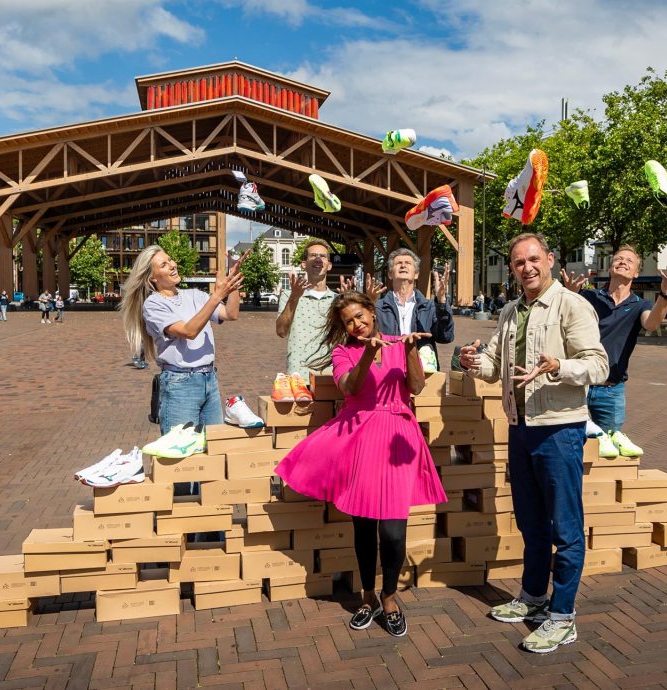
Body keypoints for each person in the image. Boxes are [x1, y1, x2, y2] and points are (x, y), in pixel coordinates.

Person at [460, 232, 609, 654]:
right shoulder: (510, 311)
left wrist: (558, 365)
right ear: (511, 268)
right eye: (517, 261)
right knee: (530, 521)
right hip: (520, 425)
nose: (526, 267)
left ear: (549, 259)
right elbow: (494, 364)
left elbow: (599, 365)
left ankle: (563, 616)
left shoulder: (572, 305)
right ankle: (533, 597)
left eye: (532, 259)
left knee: (565, 526)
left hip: (559, 428)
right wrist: (475, 362)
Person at [275, 291, 446, 638]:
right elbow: (350, 388)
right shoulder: (343, 352)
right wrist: (368, 355)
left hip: (398, 436)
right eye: (349, 321)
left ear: (372, 311)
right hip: (360, 436)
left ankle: (390, 595)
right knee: (364, 527)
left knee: (394, 533)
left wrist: (410, 350)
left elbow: (415, 386)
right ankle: (367, 595)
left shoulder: (400, 343)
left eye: (361, 316)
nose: (357, 324)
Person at [561, 246, 667, 457]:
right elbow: (563, 318)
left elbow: (652, 324)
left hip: (611, 390)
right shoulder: (588, 297)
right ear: (610, 268)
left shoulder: (640, 305)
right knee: (569, 442)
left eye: (629, 261)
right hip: (579, 385)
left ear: (636, 272)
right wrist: (570, 294)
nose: (623, 262)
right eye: (618, 259)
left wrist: (665, 294)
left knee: (609, 451)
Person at [120, 244, 245, 439]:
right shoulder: (153, 304)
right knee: (181, 454)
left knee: (214, 447)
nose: (172, 265)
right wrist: (217, 296)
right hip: (180, 384)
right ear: (152, 277)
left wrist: (232, 284)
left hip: (209, 380)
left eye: (170, 260)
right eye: (164, 264)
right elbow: (189, 331)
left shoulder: (194, 295)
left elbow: (231, 313)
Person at [375, 248, 455, 372]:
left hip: (421, 373)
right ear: (390, 274)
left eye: (408, 263)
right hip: (387, 372)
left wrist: (442, 302)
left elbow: (445, 337)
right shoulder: (378, 307)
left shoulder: (429, 306)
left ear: (416, 274)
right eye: (398, 263)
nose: (403, 265)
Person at [275, 239, 337, 380]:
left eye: (322, 256)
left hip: (331, 374)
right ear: (304, 264)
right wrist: (294, 298)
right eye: (313, 255)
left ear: (329, 265)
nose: (318, 259)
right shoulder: (289, 295)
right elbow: (281, 331)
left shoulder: (338, 300)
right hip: (299, 374)